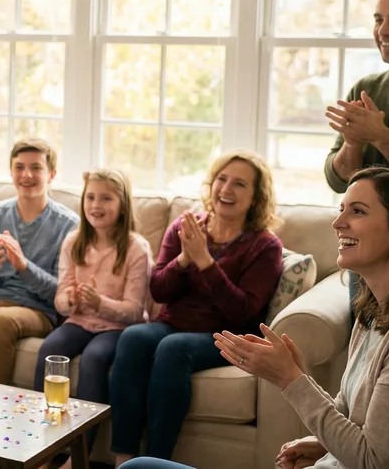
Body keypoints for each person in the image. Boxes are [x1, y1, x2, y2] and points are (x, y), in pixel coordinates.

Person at [125, 166, 389, 469]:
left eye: (358, 211)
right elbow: (352, 418)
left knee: (139, 467)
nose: (338, 223)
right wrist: (320, 439)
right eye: (341, 210)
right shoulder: (370, 315)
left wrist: (291, 379)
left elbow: (374, 461)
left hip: (214, 332)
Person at [109, 150, 284, 464]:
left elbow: (243, 312)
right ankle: (124, 458)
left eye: (240, 184)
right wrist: (184, 259)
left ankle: (156, 463)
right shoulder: (186, 227)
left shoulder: (265, 246)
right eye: (221, 179)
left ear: (256, 197)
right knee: (134, 337)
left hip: (227, 335)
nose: (226, 189)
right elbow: (159, 289)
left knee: (173, 349)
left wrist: (205, 262)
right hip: (173, 323)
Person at [33, 168, 152, 459]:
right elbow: (61, 299)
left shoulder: (136, 248)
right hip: (79, 321)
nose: (96, 205)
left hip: (118, 328)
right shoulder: (74, 242)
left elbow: (136, 311)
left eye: (106, 198)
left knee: (94, 358)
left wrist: (101, 304)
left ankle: (79, 456)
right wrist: (69, 301)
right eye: (90, 197)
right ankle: (41, 447)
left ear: (122, 205)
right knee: (50, 349)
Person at [0, 139, 78, 385]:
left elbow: (60, 296)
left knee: (0, 320)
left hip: (36, 309)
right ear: (11, 172)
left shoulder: (69, 225)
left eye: (36, 167)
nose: (27, 175)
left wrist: (24, 266)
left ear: (51, 174)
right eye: (19, 167)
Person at [324, 0, 389, 308]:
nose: (384, 30)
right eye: (378, 19)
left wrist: (380, 136)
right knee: (364, 336)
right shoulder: (366, 88)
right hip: (366, 252)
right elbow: (338, 180)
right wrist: (353, 143)